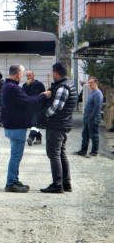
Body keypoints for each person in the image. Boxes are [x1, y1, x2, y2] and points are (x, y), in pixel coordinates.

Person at [0, 64, 51, 193]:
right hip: (16, 125)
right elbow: (28, 102)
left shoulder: (7, 86)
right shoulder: (13, 88)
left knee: (15, 155)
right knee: (16, 156)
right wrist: (44, 96)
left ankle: (14, 179)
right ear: (18, 74)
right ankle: (11, 182)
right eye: (22, 74)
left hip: (11, 124)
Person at [38, 62, 77, 193]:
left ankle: (57, 184)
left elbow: (56, 107)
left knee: (54, 154)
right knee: (61, 154)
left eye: (52, 72)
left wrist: (43, 115)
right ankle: (66, 183)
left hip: (57, 125)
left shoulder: (62, 87)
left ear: (55, 73)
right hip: (63, 125)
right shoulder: (69, 85)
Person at [75, 77, 104, 158]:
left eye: (91, 82)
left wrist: (91, 117)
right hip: (87, 116)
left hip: (93, 118)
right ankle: (83, 151)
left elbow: (98, 107)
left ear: (96, 84)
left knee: (94, 135)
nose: (89, 84)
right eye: (89, 82)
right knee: (85, 134)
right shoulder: (92, 92)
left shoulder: (98, 93)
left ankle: (94, 152)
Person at [22, 70, 46, 146]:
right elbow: (23, 95)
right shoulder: (25, 85)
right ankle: (39, 137)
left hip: (38, 108)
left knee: (34, 123)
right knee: (33, 124)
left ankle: (31, 137)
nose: (29, 77)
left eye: (30, 75)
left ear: (33, 75)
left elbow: (44, 95)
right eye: (27, 76)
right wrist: (27, 86)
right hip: (29, 109)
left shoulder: (39, 85)